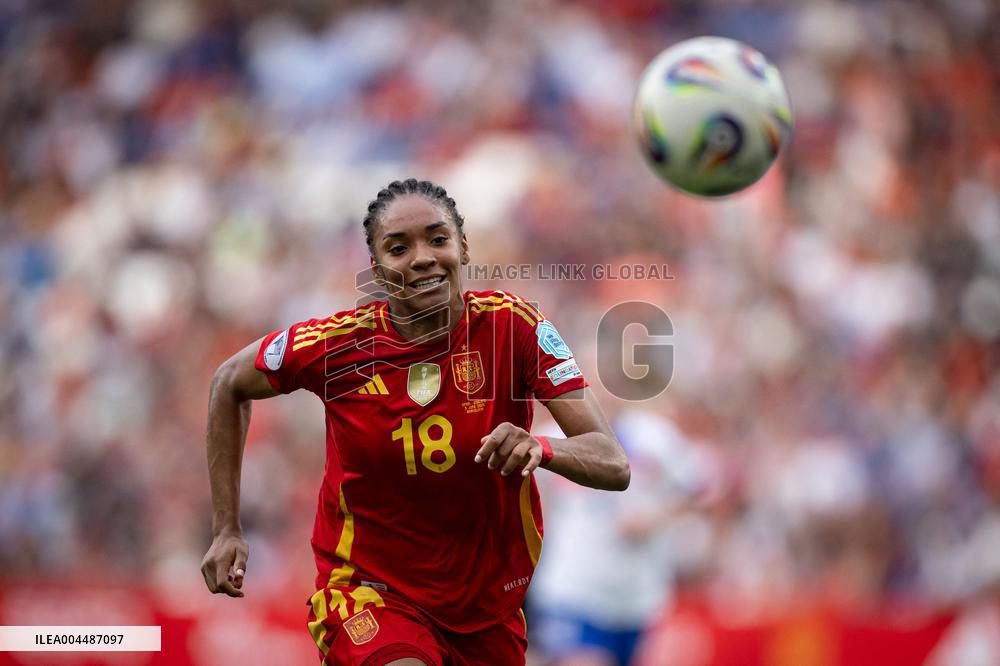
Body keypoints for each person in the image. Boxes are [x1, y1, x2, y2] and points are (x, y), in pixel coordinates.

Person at [200, 178, 630, 665]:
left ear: (463, 247)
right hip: (370, 590)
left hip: (487, 607)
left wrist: (541, 448)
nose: (423, 258)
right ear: (377, 269)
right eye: (399, 248)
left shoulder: (514, 327)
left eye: (438, 239)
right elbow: (229, 382)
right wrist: (226, 528)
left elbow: (612, 462)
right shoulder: (338, 346)